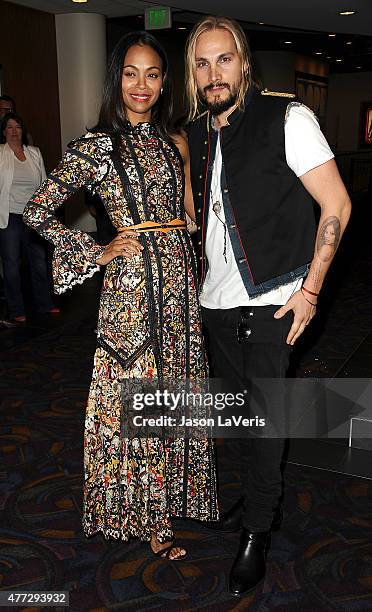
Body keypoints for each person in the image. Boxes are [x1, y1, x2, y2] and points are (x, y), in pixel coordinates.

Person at [23, 31, 218, 560]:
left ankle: (168, 499)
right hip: (130, 289)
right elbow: (38, 211)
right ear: (117, 79)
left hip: (177, 285)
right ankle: (148, 518)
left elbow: (190, 216)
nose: (142, 84)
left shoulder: (174, 140)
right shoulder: (94, 147)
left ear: (163, 83)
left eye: (153, 74)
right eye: (131, 73)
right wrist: (95, 249)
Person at [184, 16, 351, 595]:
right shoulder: (201, 132)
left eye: (223, 60)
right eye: (201, 64)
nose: (213, 74)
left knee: (265, 418)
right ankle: (259, 501)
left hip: (273, 301)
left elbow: (337, 204)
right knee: (240, 416)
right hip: (216, 303)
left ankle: (258, 527)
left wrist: (310, 291)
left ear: (244, 63)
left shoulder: (289, 117)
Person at [0, 113, 58, 322]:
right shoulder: (0, 153)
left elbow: (44, 185)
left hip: (34, 217)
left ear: (23, 131)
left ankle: (45, 304)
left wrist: (47, 212)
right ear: (4, 131)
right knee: (12, 264)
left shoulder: (34, 153)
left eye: (18, 127)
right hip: (10, 216)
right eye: (9, 127)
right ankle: (16, 309)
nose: (14, 131)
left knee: (39, 261)